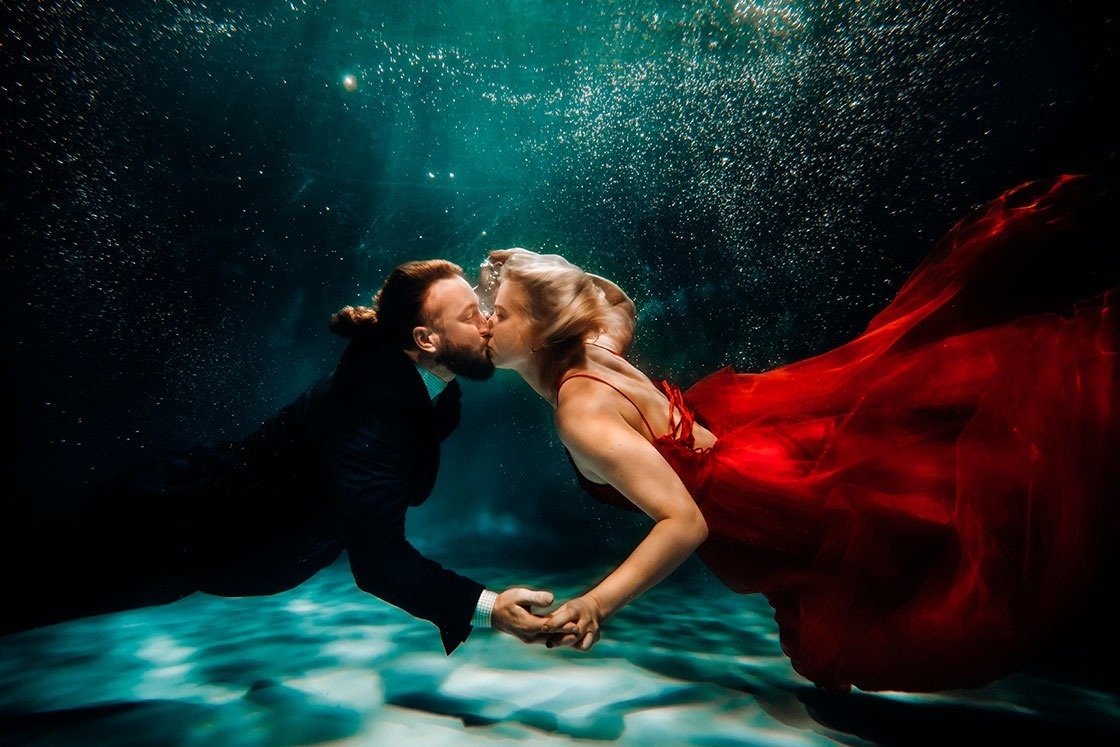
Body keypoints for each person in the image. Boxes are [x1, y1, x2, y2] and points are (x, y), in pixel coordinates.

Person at [479, 172, 1119, 692]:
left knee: (929, 545)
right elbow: (616, 302)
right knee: (923, 490)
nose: (484, 321)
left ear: (540, 332)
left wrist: (598, 603)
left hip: (759, 494)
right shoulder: (596, 346)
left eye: (497, 312)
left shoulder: (580, 411)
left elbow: (685, 523)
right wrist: (529, 270)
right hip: (758, 446)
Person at [3, 259, 553, 653]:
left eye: (483, 310)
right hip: (182, 528)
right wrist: (487, 608)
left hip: (209, 521)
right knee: (33, 587)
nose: (486, 323)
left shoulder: (428, 385)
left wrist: (491, 288)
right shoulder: (376, 404)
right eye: (472, 316)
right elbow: (378, 559)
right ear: (425, 340)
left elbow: (406, 482)